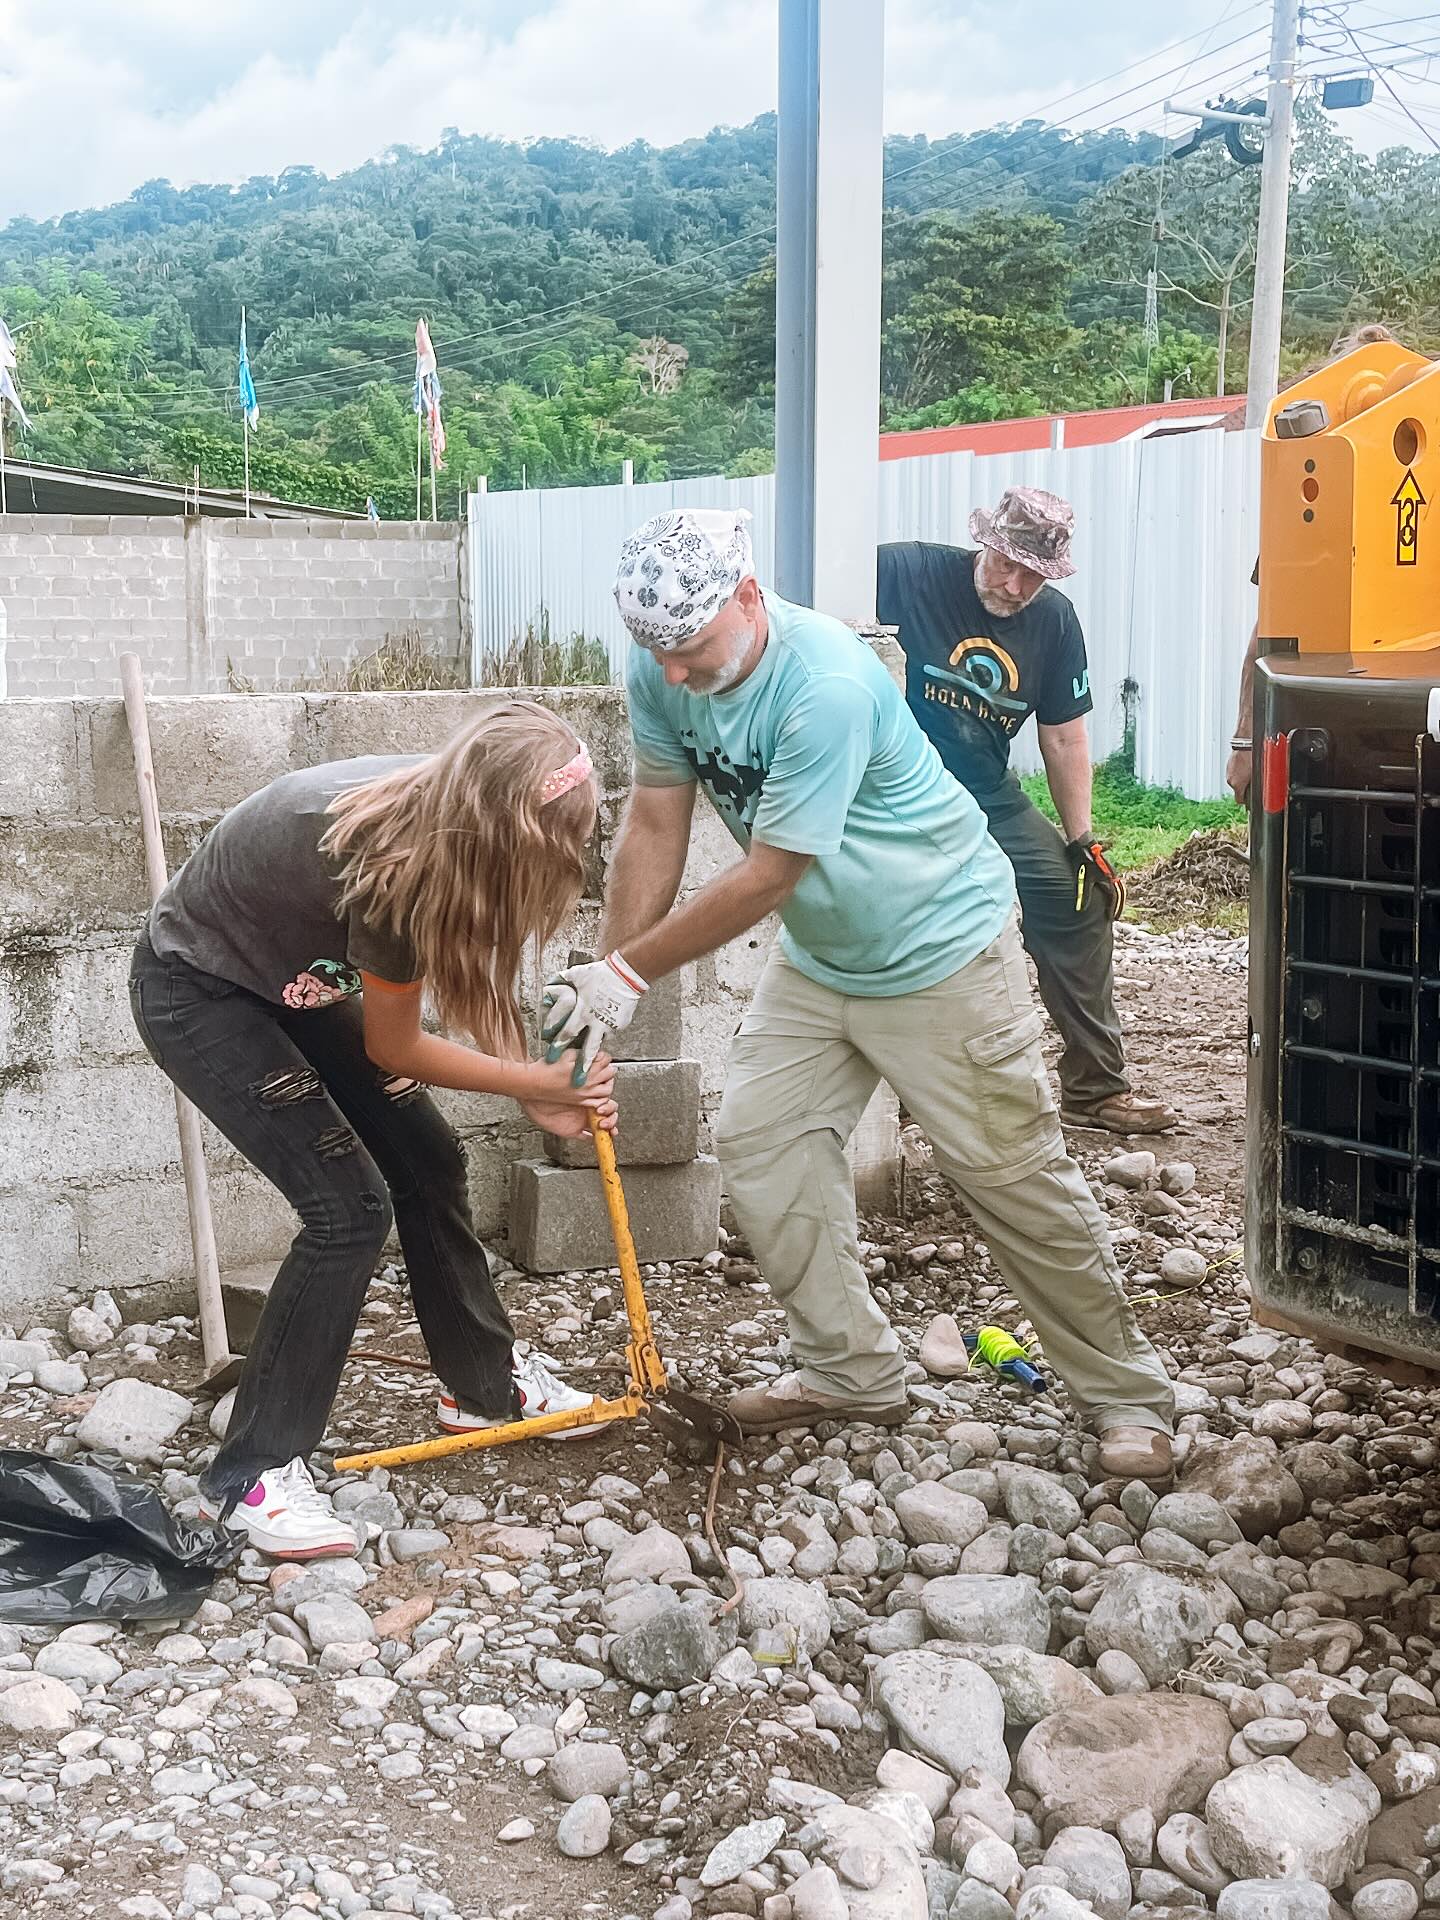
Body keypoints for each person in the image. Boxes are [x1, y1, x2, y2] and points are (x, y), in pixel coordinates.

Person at [543, 508, 1175, 1482]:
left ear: (749, 599)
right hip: (826, 957)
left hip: (941, 951)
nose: (671, 672)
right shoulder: (662, 664)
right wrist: (604, 989)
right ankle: (851, 1368)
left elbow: (768, 874)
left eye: (690, 646)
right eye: (654, 649)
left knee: (1008, 1175)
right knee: (762, 1144)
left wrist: (627, 973)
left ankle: (1129, 1395)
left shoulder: (826, 683)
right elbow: (655, 827)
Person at [131, 702, 617, 1561]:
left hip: (290, 983)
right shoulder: (395, 865)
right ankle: (253, 1475)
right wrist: (531, 1080)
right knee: (346, 1208)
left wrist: (531, 1090)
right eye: (564, 845)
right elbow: (396, 1042)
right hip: (197, 989)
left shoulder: (459, 810)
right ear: (513, 832)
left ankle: (484, 1388)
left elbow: (470, 971)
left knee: (427, 1158)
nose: (573, 861)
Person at [876, 492, 1175, 1135]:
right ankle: (900, 1090)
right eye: (1006, 565)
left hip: (985, 791)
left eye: (1032, 575)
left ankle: (1096, 1089)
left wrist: (1082, 840)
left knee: (1077, 897)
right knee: (902, 910)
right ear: (986, 543)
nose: (1014, 586)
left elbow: (1064, 736)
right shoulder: (906, 572)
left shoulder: (1054, 623)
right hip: (891, 788)